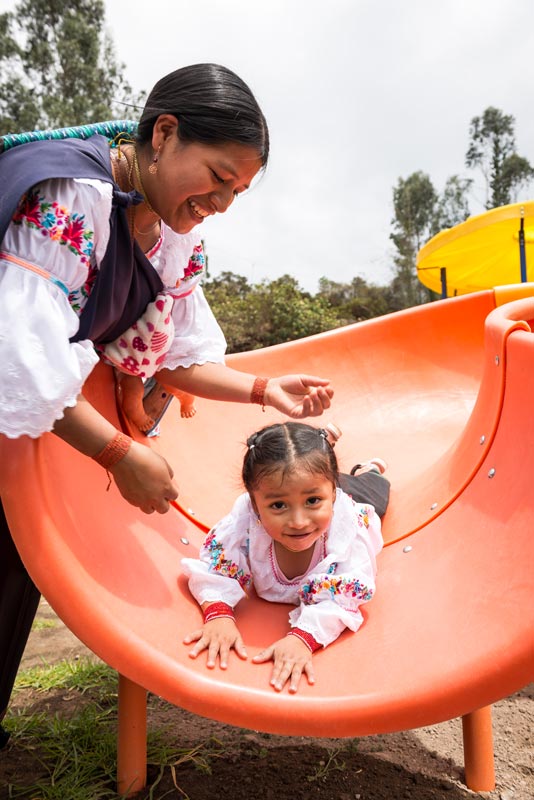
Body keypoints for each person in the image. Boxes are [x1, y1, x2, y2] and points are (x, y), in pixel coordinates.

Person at [0, 64, 334, 745]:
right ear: (165, 133)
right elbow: (18, 354)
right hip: (19, 414)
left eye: (237, 191)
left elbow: (181, 352)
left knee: (11, 580)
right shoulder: (72, 193)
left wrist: (263, 389)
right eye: (217, 177)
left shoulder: (168, 230)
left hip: (20, 442)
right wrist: (120, 452)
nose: (222, 202)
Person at [182, 422, 383, 694]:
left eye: (313, 502)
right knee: (303, 479)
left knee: (373, 489)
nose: (298, 522)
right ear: (255, 505)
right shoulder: (246, 520)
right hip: (318, 484)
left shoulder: (347, 532)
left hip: (350, 494)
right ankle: (321, 455)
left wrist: (303, 638)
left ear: (333, 498)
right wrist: (218, 614)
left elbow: (343, 599)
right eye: (278, 506)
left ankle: (366, 469)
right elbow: (214, 566)